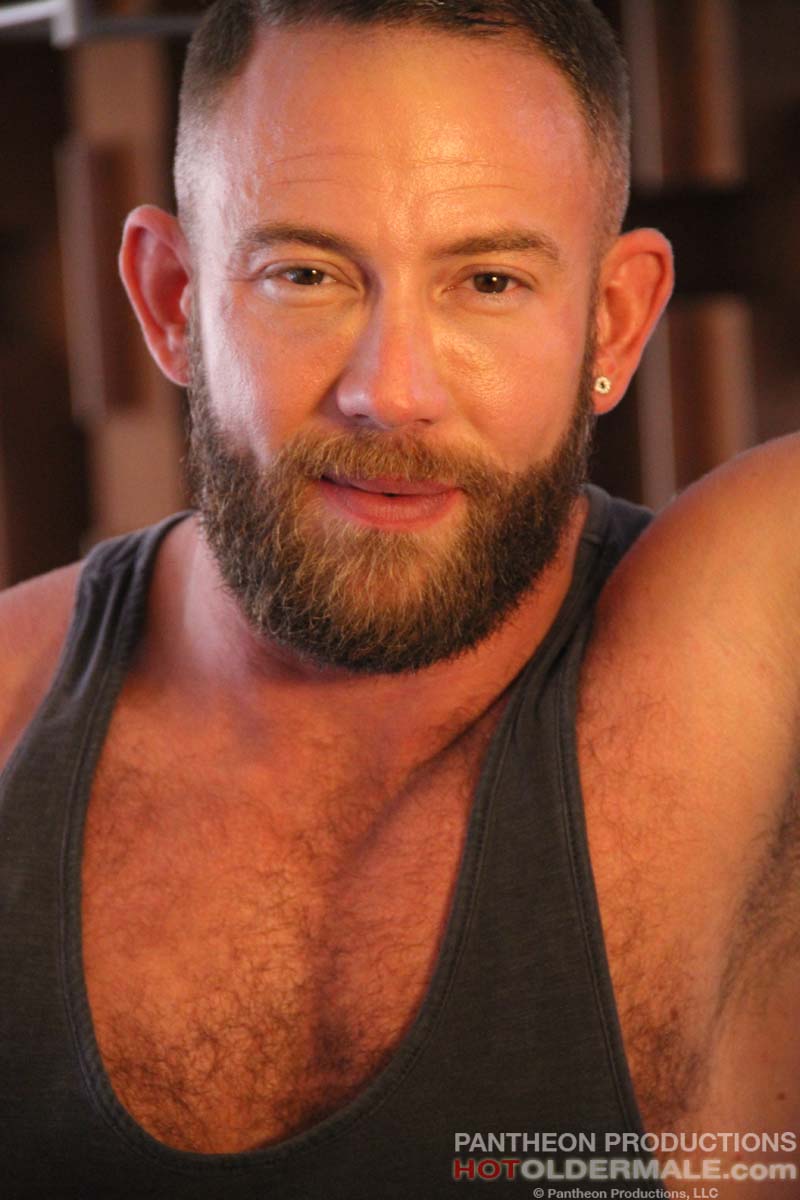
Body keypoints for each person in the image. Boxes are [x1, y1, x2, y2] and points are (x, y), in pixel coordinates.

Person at [0, 1, 796, 1196]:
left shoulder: (733, 656)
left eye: (488, 280)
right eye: (304, 274)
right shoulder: (8, 706)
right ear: (170, 299)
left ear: (614, 322)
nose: (391, 392)